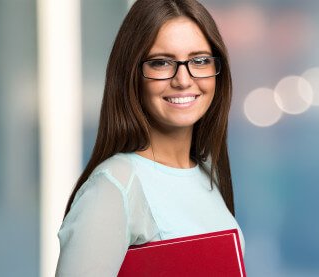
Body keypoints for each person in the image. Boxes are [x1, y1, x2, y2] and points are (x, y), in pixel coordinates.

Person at [55, 0, 244, 275]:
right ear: (132, 74)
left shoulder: (206, 172)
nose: (183, 79)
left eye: (200, 60)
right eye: (161, 63)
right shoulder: (116, 186)